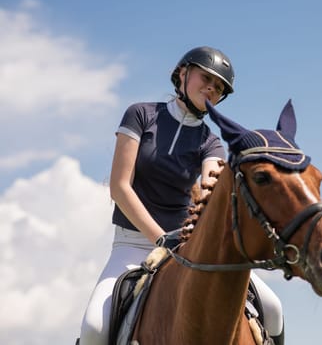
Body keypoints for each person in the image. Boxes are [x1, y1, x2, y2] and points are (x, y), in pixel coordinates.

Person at [78, 46, 284, 345]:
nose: (211, 88)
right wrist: (161, 238)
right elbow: (119, 187)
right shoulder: (141, 115)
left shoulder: (210, 142)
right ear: (183, 74)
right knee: (94, 326)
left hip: (188, 248)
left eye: (219, 87)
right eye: (206, 78)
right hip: (132, 246)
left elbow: (211, 182)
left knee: (273, 308)